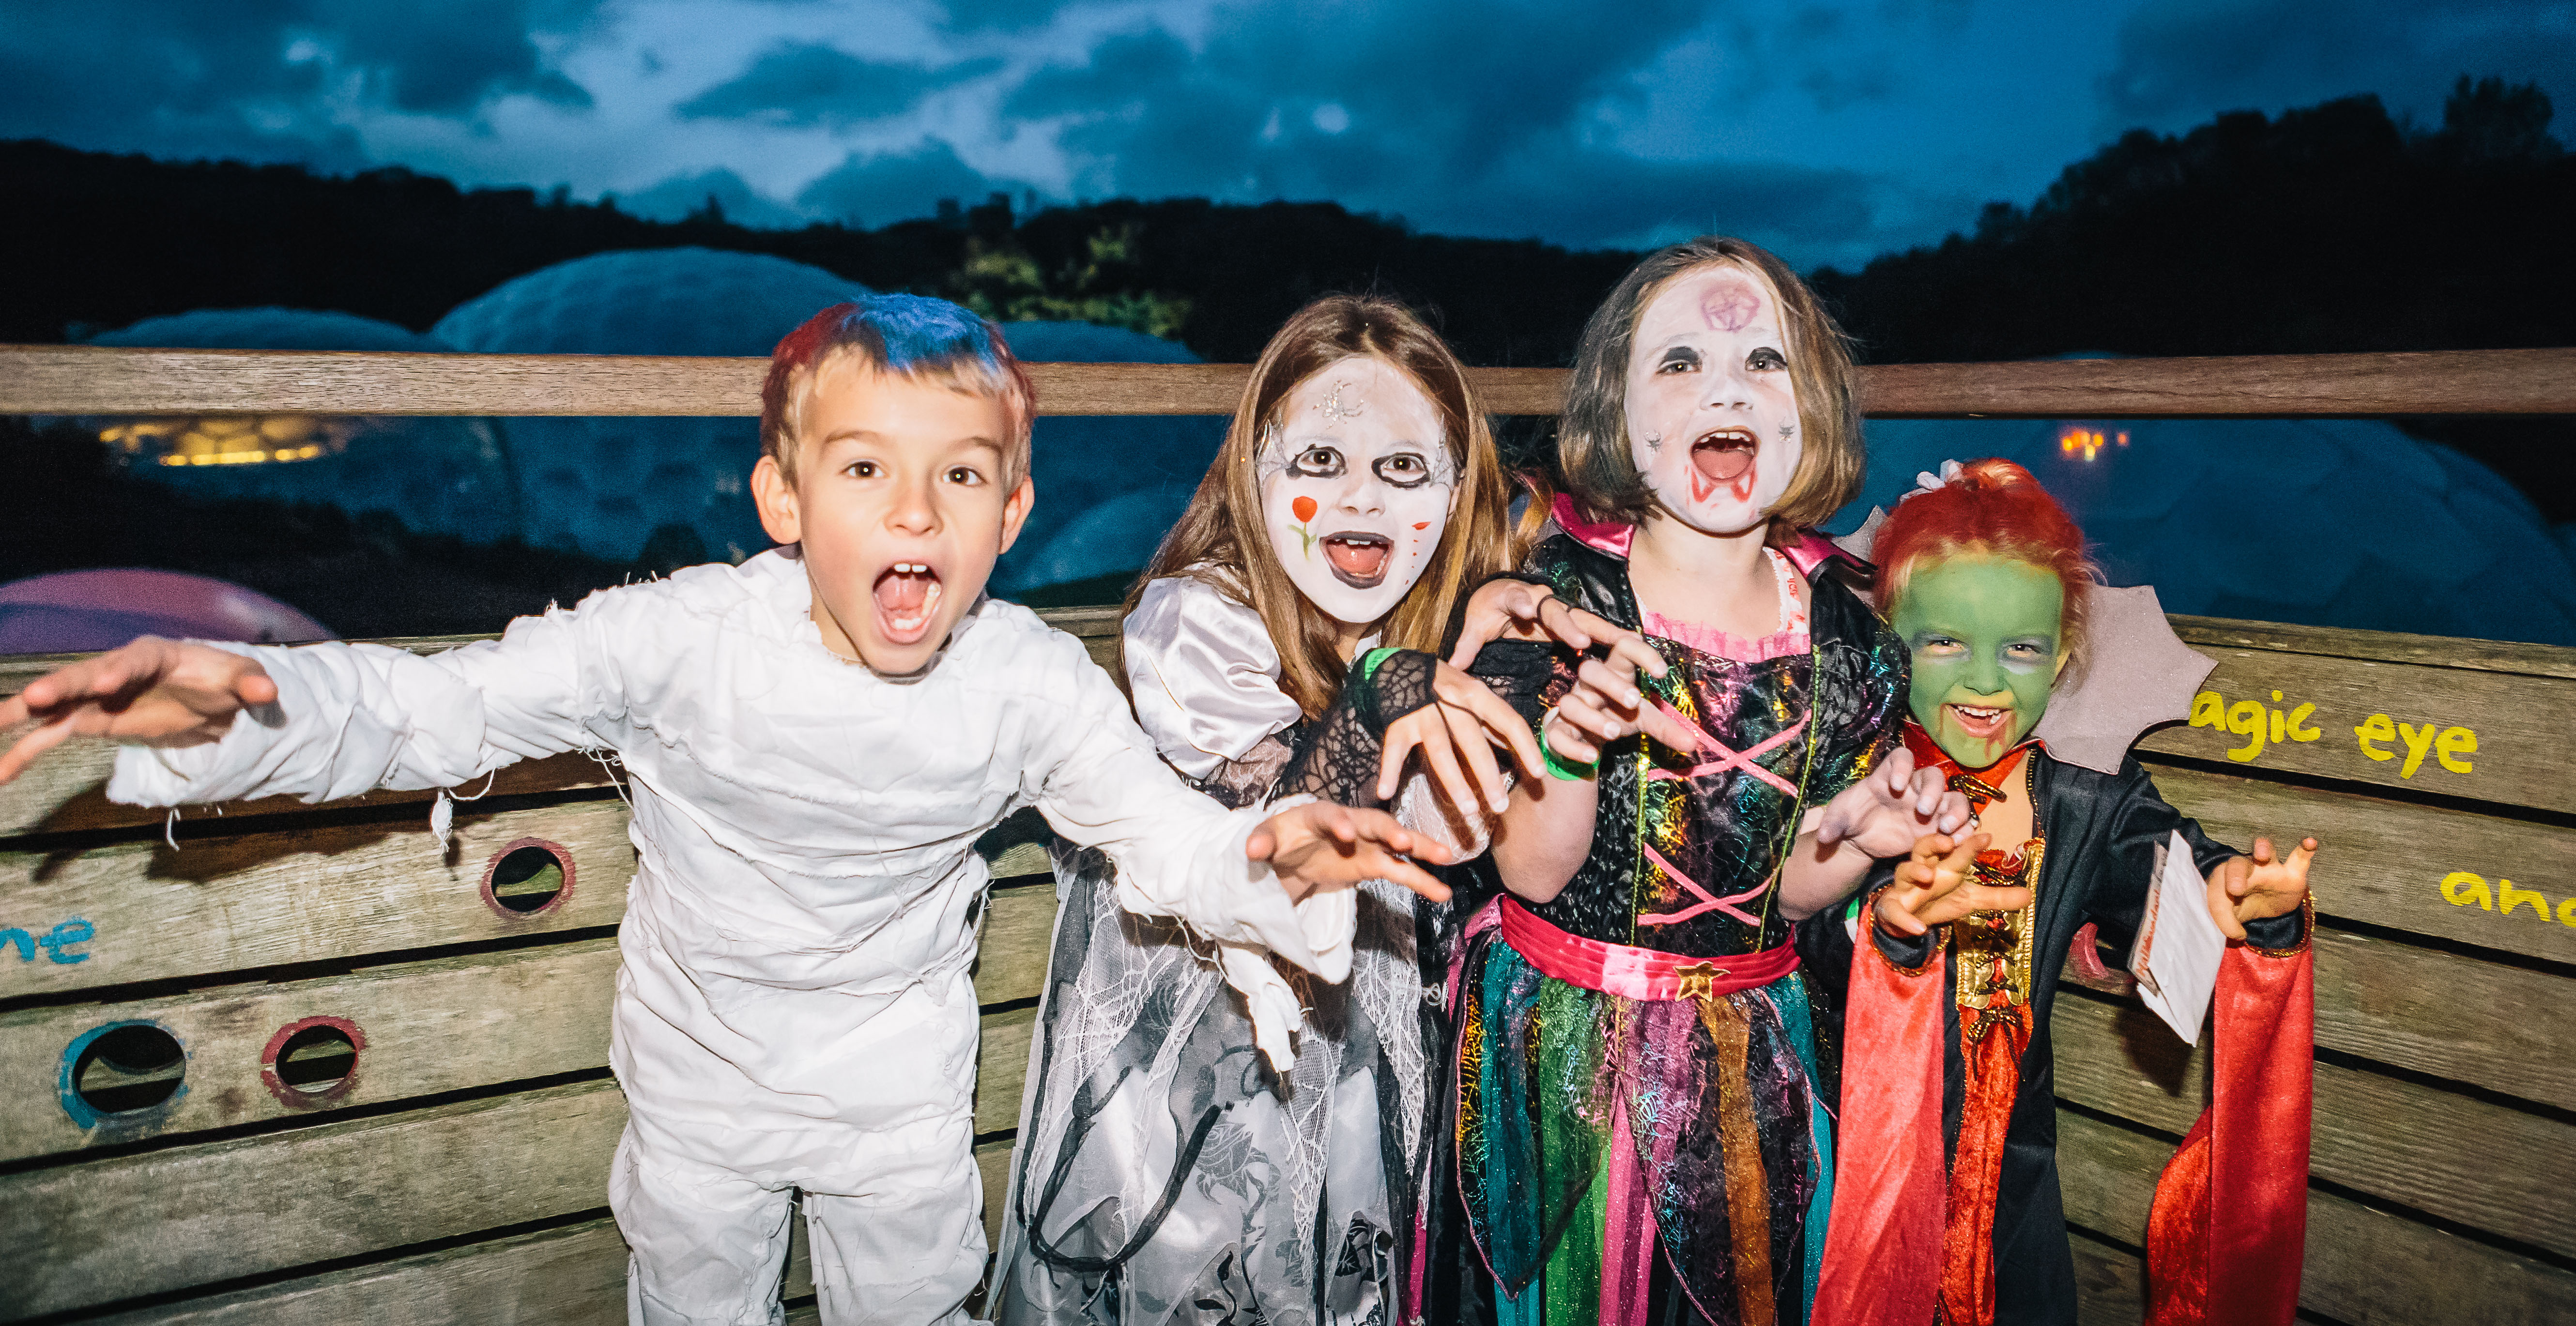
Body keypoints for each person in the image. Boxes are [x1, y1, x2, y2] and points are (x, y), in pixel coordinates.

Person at [0, 295, 1457, 1326]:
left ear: (1010, 518)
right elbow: (434, 709)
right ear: (781, 496)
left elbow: (1165, 839)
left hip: (898, 1113)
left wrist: (1269, 860)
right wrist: (241, 707)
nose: (914, 515)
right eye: (865, 469)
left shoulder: (1022, 677)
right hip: (697, 1106)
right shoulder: (678, 635)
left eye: (960, 477)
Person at [1331, 236, 1968, 1326]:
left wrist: (1864, 829)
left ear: (1811, 407)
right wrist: (1573, 740)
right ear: (1615, 416)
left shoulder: (1852, 646)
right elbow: (1532, 872)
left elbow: (1790, 895)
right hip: (1560, 1057)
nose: (1724, 382)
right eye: (1678, 362)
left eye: (1763, 361)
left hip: (1749, 1063)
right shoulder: (1558, 603)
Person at [995, 293, 1646, 1326]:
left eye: (1403, 468)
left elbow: (1466, 834)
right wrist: (1389, 693)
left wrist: (1502, 662)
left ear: (1453, 486)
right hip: (1190, 1091)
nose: (1364, 498)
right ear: (1255, 472)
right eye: (1320, 462)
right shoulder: (1197, 620)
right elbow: (1278, 848)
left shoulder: (1430, 634)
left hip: (1361, 1085)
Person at [1813, 459, 2318, 1326]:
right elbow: (1797, 937)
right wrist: (1887, 928)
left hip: (2013, 1182)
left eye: (2021, 648)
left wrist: (2238, 897)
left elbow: (2176, 872)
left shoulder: (2087, 803)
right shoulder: (1848, 788)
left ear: (2061, 657)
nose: (1984, 683)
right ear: (1885, 645)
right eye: (1943, 643)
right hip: (1845, 1165)